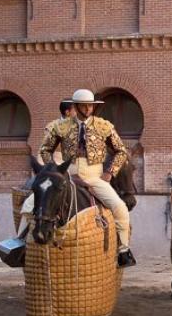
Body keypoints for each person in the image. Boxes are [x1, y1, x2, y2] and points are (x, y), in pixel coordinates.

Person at [37, 89, 136, 268]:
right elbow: (45, 149)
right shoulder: (61, 126)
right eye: (84, 105)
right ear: (75, 106)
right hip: (68, 175)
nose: (88, 108)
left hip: (94, 176)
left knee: (120, 206)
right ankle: (22, 243)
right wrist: (54, 171)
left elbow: (121, 151)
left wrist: (110, 172)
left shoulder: (104, 126)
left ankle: (123, 249)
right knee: (31, 202)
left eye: (90, 105)